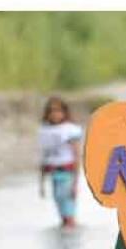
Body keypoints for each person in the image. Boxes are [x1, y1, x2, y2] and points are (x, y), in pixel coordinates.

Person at [38, 96, 82, 230]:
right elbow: (45, 156)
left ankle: (69, 241)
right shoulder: (46, 131)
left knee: (68, 210)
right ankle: (64, 238)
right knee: (60, 207)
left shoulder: (70, 130)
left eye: (58, 111)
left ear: (64, 112)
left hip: (67, 174)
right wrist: (41, 182)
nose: (55, 114)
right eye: (51, 111)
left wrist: (75, 183)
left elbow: (76, 156)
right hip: (54, 174)